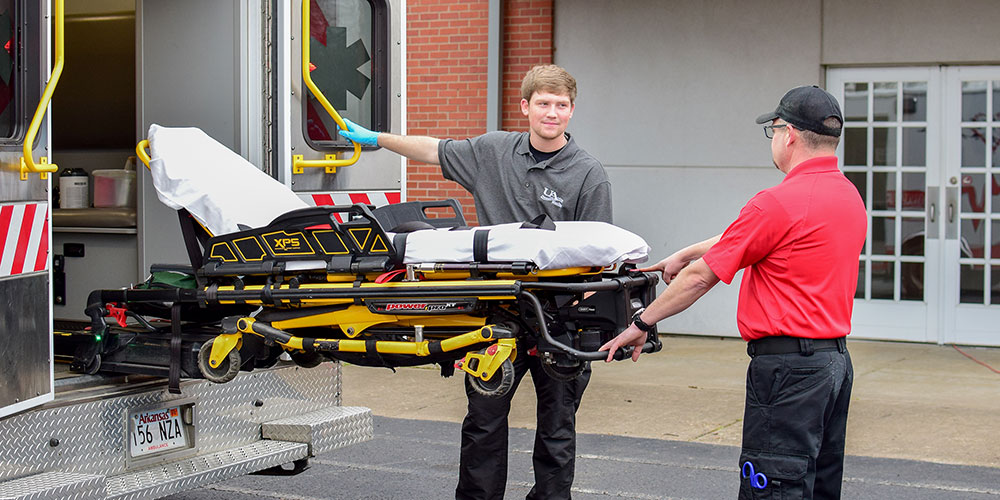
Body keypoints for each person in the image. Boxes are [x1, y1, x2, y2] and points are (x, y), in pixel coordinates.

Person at [340, 64, 611, 500]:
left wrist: (587, 323)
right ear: (525, 107)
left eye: (561, 105)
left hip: (558, 317)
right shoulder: (492, 152)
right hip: (494, 313)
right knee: (483, 420)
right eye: (543, 103)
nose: (552, 113)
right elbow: (432, 150)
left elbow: (600, 250)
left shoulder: (587, 174)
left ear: (572, 111)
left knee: (558, 427)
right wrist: (376, 139)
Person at [600, 85, 865, 500]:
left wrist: (641, 322)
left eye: (773, 130)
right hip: (833, 365)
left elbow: (700, 278)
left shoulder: (778, 201)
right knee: (815, 486)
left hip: (787, 372)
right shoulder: (847, 195)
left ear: (789, 134)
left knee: (772, 488)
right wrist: (685, 252)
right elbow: (750, 237)